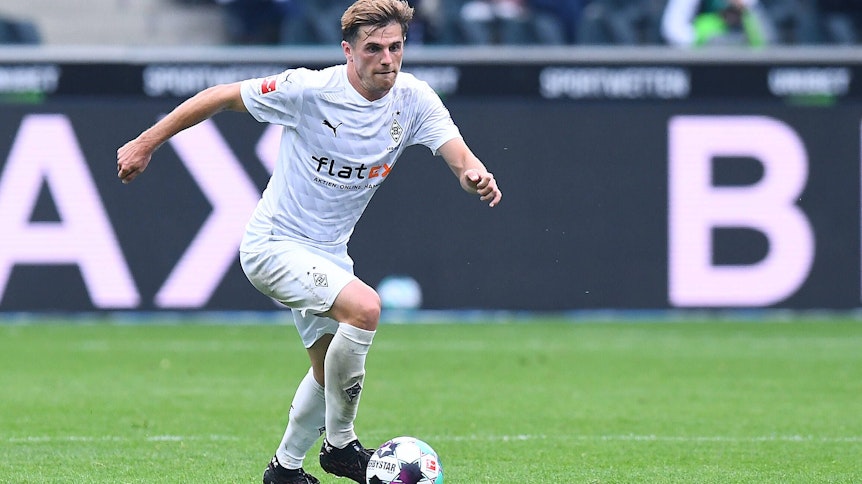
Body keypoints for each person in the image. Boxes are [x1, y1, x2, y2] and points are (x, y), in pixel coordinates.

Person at [116, 0, 502, 483]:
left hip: (328, 254)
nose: (387, 58)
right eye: (373, 49)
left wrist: (474, 176)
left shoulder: (415, 100)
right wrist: (145, 143)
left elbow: (460, 158)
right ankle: (341, 446)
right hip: (274, 245)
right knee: (365, 309)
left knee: (329, 374)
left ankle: (284, 469)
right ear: (348, 51)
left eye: (396, 47)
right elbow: (218, 95)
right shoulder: (310, 90)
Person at [661, 0, 776, 47]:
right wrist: (701, 36)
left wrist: (745, 9)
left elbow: (766, 41)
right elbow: (672, 30)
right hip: (701, 65)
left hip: (741, 67)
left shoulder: (746, 4)